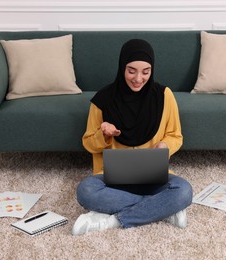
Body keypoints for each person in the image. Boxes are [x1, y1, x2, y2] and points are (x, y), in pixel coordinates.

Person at [72, 39, 193, 236]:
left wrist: (164, 145)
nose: (138, 78)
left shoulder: (164, 95)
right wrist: (104, 135)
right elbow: (88, 143)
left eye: (145, 71)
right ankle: (163, 210)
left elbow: (175, 135)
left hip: (152, 176)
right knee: (86, 191)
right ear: (122, 67)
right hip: (111, 178)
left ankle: (114, 220)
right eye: (131, 71)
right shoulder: (103, 99)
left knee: (184, 190)